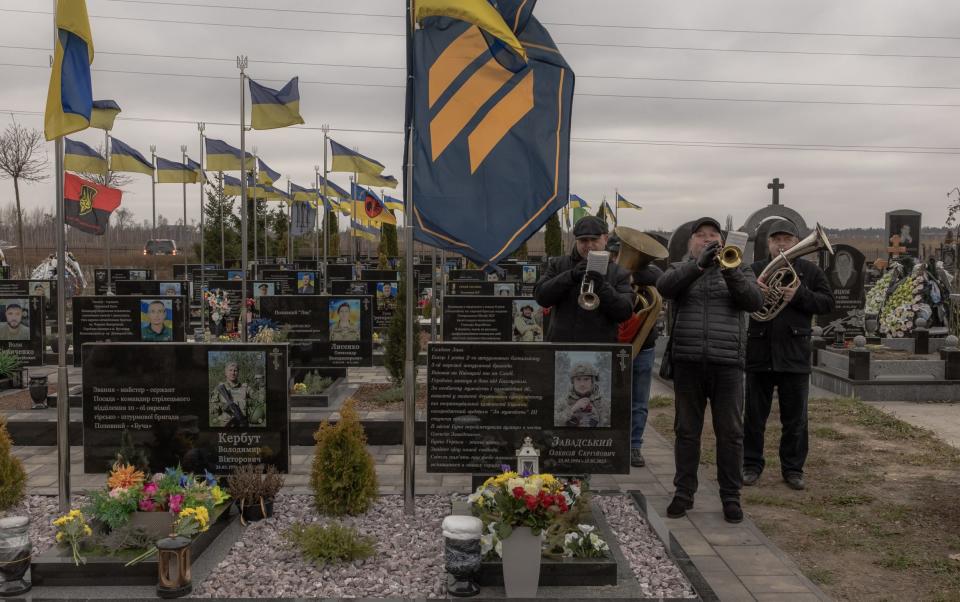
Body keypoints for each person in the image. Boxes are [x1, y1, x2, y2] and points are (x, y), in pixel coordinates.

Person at [656, 217, 764, 523]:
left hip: (727, 363)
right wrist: (698, 266)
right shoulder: (681, 267)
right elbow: (665, 288)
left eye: (712, 235)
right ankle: (683, 493)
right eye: (700, 236)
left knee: (730, 434)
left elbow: (754, 301)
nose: (706, 239)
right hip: (688, 362)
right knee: (686, 432)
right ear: (692, 243)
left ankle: (731, 497)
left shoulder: (739, 267)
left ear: (723, 240)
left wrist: (731, 274)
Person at [744, 219, 835, 491]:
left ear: (796, 243)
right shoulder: (755, 271)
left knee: (795, 419)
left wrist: (798, 294)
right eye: (776, 240)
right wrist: (752, 293)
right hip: (760, 351)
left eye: (786, 240)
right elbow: (739, 301)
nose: (781, 245)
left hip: (794, 354)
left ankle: (793, 469)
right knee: (753, 417)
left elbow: (827, 303)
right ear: (768, 244)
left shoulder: (810, 272)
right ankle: (750, 465)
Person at [534, 216, 633, 343]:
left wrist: (602, 287)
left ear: (606, 239)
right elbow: (541, 297)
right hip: (562, 345)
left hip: (601, 348)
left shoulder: (619, 273)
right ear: (576, 241)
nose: (589, 245)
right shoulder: (558, 264)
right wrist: (570, 276)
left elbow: (624, 313)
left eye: (594, 240)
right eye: (583, 241)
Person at [612, 234, 665, 469]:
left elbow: (661, 280)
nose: (617, 259)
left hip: (643, 346)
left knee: (639, 401)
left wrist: (629, 275)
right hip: (611, 344)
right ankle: (610, 443)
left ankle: (634, 446)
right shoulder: (607, 272)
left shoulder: (649, 274)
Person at [558, 363, 605, 427]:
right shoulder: (562, 403)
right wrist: (572, 409)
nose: (582, 384)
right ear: (573, 382)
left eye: (586, 379)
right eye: (578, 379)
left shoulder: (604, 403)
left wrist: (597, 415)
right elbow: (553, 422)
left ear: (592, 381)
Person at [209, 362, 249, 428]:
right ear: (226, 373)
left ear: (238, 373)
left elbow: (260, 400)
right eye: (230, 370)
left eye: (235, 370)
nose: (233, 373)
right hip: (227, 426)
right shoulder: (218, 389)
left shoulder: (245, 388)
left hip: (243, 424)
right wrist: (223, 406)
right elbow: (211, 410)